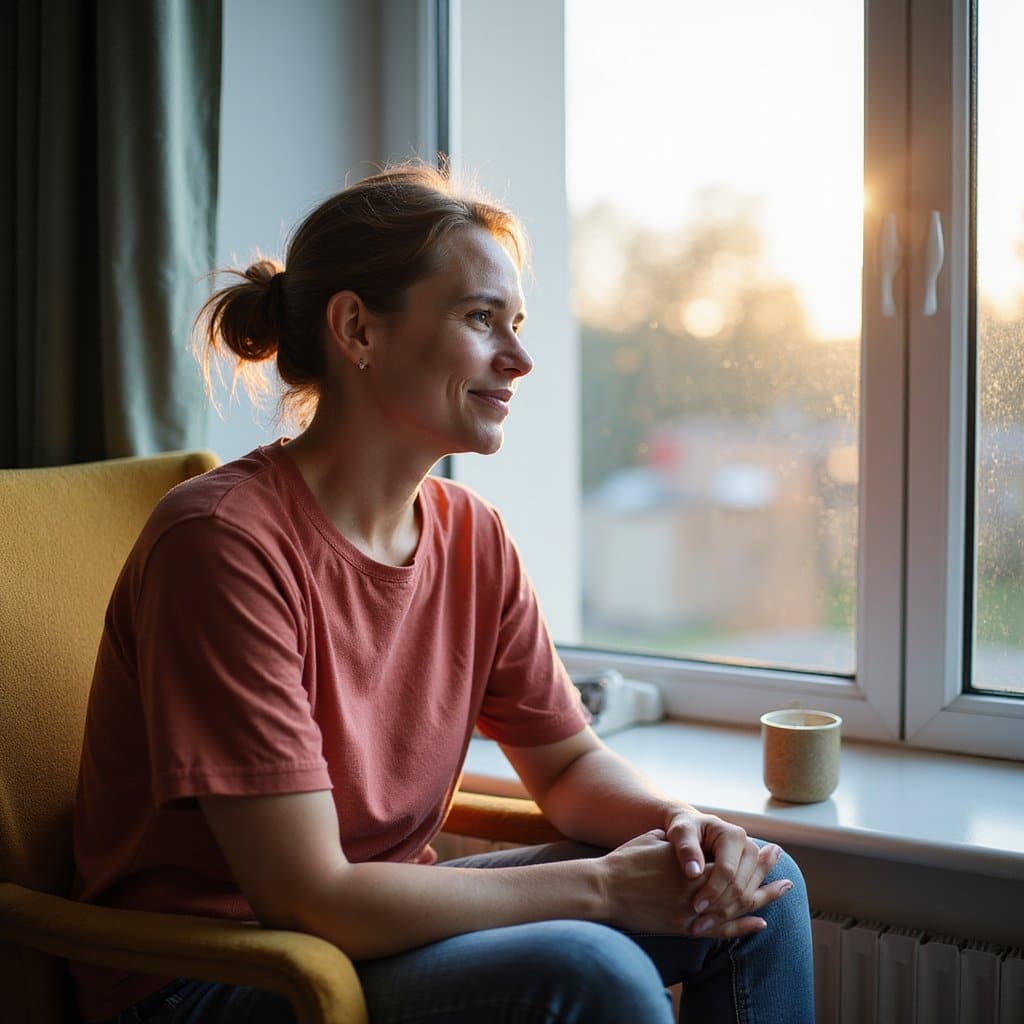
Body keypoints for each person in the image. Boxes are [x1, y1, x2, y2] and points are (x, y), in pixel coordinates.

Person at [72, 163, 814, 1024]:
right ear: (357, 329)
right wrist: (605, 887)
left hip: (371, 926)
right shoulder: (223, 546)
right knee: (594, 970)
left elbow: (568, 766)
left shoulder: (472, 536)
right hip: (213, 974)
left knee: (765, 885)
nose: (521, 357)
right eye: (480, 319)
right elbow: (309, 899)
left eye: (518, 323)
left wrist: (689, 829)